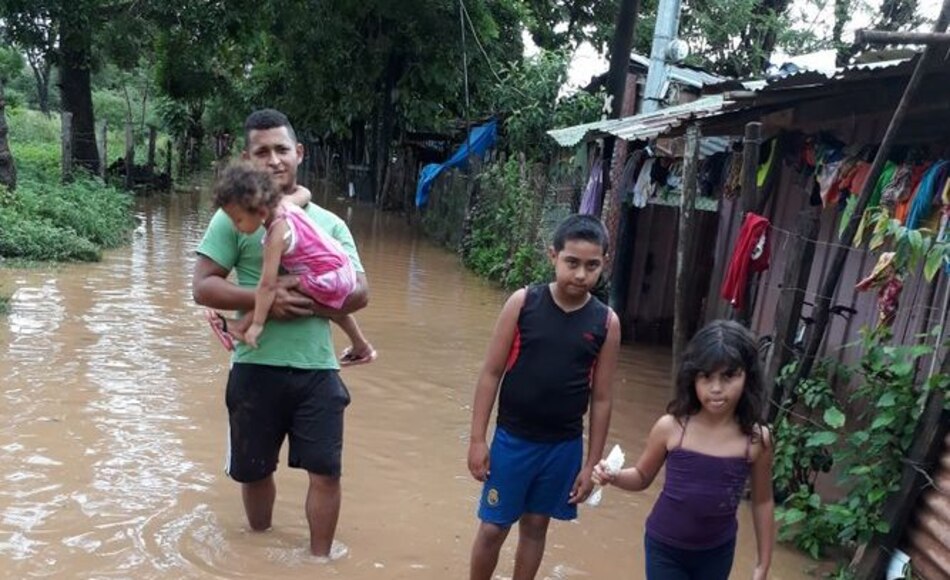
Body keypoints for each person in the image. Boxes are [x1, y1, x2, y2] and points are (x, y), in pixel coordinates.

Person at [192, 108, 369, 557]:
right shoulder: (233, 218)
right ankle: (257, 552)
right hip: (255, 367)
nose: (273, 160)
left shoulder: (330, 222)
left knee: (327, 472)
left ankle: (319, 561)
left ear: (299, 154)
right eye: (262, 151)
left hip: (317, 369)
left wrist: (298, 300)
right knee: (252, 472)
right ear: (246, 158)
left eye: (281, 149)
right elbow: (203, 286)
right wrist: (263, 300)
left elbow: (360, 292)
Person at [467, 214, 621, 580]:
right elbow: (491, 373)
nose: (581, 275)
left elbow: (601, 398)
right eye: (572, 262)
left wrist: (591, 464)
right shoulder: (523, 303)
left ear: (604, 264)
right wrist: (477, 440)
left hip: (562, 447)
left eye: (591, 265)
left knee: (536, 526)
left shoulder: (606, 322)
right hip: (512, 441)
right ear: (553, 256)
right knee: (492, 528)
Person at [593, 320, 775, 580]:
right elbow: (642, 477)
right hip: (664, 547)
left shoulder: (756, 440)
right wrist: (614, 476)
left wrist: (763, 564)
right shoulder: (671, 428)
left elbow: (763, 501)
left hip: (718, 551)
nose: (716, 388)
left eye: (728, 376)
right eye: (706, 376)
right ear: (692, 378)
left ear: (748, 377)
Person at [208, 160, 375, 365]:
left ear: (260, 212)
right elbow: (304, 193)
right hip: (339, 267)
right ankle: (361, 345)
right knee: (327, 299)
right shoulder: (284, 205)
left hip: (330, 275)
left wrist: (257, 325)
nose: (235, 226)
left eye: (238, 220)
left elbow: (266, 286)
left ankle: (241, 326)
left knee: (276, 288)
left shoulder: (275, 236)